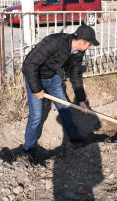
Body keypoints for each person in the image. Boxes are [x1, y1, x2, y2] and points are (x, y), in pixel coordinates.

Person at [22, 24, 100, 160]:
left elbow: (75, 74)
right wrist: (36, 89)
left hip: (52, 78)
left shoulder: (79, 51)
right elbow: (29, 65)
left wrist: (81, 100)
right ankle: (29, 149)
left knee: (65, 108)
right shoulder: (53, 42)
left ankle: (75, 138)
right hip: (35, 77)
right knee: (36, 115)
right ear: (81, 41)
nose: (90, 47)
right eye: (89, 44)